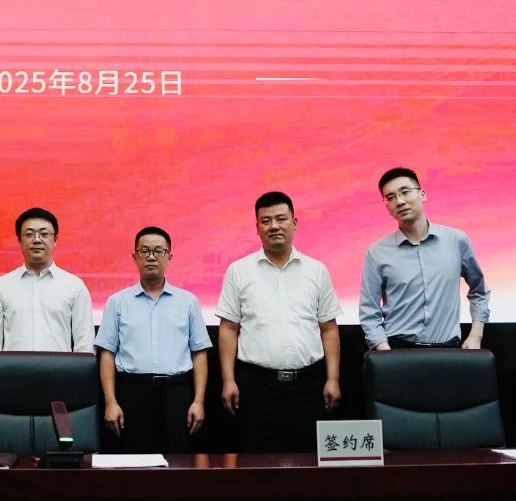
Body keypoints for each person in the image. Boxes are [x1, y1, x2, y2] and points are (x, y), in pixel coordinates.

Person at [216, 191, 342, 453]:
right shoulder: (239, 271)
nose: (274, 226)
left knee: (308, 462)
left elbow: (328, 329)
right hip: (256, 386)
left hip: (308, 385)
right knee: (256, 463)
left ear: (294, 223)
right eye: (266, 221)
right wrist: (228, 380)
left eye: (281, 219)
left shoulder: (316, 270)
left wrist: (333, 378)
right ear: (257, 228)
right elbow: (229, 329)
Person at [95, 226, 211, 453]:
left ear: (169, 257)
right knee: (133, 463)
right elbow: (107, 354)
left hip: (177, 394)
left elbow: (199, 353)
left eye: (158, 251)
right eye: (144, 251)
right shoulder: (117, 302)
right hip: (132, 393)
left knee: (178, 462)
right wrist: (111, 402)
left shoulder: (188, 302)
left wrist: (198, 401)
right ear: (134, 257)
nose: (151, 257)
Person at [359, 167, 490, 350]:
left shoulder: (456, 240)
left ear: (422, 194)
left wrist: (476, 335)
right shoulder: (377, 253)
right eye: (391, 197)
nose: (400, 201)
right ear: (387, 207)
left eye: (405, 192)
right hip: (398, 350)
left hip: (447, 349)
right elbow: (369, 310)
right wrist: (383, 350)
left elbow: (479, 291)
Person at [0, 207, 94, 352]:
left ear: (55, 240)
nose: (36, 240)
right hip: (12, 367)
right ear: (19, 241)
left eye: (44, 234)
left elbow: (85, 344)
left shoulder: (74, 286)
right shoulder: (1, 286)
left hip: (60, 367)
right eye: (29, 234)